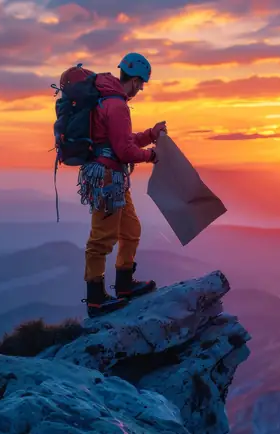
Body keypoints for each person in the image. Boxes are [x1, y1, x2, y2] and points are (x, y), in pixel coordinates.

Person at [79, 52, 167, 316]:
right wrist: (152, 155)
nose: (141, 88)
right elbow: (125, 151)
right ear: (135, 78)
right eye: (141, 83)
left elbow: (123, 143)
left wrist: (151, 135)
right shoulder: (117, 106)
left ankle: (124, 285)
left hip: (112, 179)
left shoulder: (110, 101)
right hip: (108, 179)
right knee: (101, 239)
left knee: (131, 230)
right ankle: (96, 299)